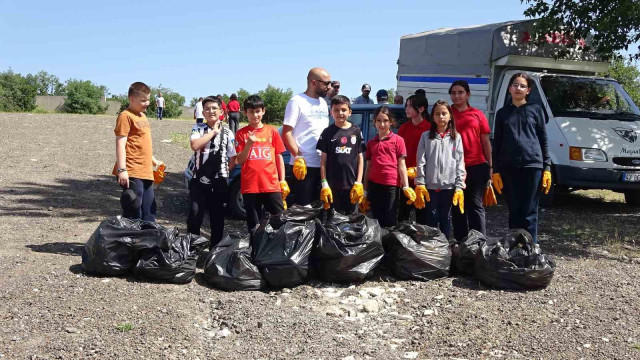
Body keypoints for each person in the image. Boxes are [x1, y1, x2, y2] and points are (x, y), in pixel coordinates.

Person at [492, 73, 551, 244]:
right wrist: (495, 169)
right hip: (508, 167)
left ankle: (530, 247)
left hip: (532, 166)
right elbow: (498, 142)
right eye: (515, 85)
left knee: (530, 210)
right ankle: (514, 246)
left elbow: (543, 139)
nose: (518, 88)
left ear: (528, 90)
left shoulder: (536, 110)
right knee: (514, 209)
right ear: (510, 89)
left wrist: (546, 167)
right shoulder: (502, 113)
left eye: (522, 86)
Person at [186, 96, 237, 249]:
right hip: (198, 179)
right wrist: (213, 132)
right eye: (207, 108)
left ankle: (214, 251)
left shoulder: (228, 133)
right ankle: (192, 249)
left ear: (221, 111)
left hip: (219, 180)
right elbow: (195, 145)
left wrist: (224, 173)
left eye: (214, 108)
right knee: (195, 214)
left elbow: (233, 159)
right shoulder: (197, 128)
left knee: (217, 218)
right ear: (203, 111)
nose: (210, 111)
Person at [449, 80, 494, 242]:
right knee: (457, 206)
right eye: (453, 93)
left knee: (475, 205)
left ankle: (479, 243)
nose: (456, 96)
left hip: (476, 165)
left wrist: (490, 166)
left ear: (468, 94)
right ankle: (461, 243)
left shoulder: (478, 114)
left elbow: (485, 142)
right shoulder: (446, 113)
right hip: (453, 167)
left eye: (460, 92)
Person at [236, 95, 289, 233]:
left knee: (280, 221)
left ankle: (277, 252)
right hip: (250, 187)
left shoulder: (272, 131)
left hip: (271, 185)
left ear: (263, 111)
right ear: (245, 113)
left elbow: (279, 157)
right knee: (254, 225)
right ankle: (256, 252)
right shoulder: (241, 134)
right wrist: (249, 144)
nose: (255, 115)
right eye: (251, 112)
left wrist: (282, 181)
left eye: (258, 111)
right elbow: (240, 160)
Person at [414, 100, 466, 239]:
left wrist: (459, 185)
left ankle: (445, 247)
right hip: (430, 186)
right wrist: (420, 182)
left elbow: (460, 162)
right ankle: (433, 248)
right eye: (437, 114)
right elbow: (421, 160)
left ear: (450, 116)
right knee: (431, 217)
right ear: (432, 117)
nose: (441, 117)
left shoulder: (456, 137)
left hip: (449, 187)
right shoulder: (426, 136)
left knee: (446, 218)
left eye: (444, 113)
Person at [113, 82, 163, 222]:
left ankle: (147, 241)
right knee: (133, 207)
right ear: (131, 99)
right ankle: (132, 241)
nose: (147, 103)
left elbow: (141, 142)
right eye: (143, 100)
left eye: (148, 100)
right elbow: (121, 143)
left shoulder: (143, 116)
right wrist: (122, 169)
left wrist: (153, 160)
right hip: (132, 169)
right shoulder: (125, 116)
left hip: (145, 170)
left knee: (149, 211)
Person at [282, 67, 331, 206]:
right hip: (304, 166)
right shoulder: (297, 101)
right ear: (313, 82)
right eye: (326, 83)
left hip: (322, 164)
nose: (329, 87)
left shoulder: (323, 103)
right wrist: (298, 156)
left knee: (321, 207)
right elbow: (286, 132)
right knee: (304, 208)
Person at [361, 106, 416, 227]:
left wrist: (406, 187)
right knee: (375, 219)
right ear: (374, 122)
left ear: (391, 122)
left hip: (391, 185)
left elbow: (402, 165)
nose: (382, 124)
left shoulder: (398, 140)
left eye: (385, 120)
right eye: (379, 120)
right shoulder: (371, 142)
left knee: (390, 219)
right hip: (374, 186)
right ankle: (379, 244)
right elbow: (368, 167)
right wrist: (364, 190)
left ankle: (389, 245)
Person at [317, 95, 366, 214]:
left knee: (351, 223)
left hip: (351, 187)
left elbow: (360, 159)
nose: (340, 113)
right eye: (336, 110)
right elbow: (323, 161)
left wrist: (359, 183)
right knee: (332, 223)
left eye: (344, 110)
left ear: (350, 112)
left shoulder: (356, 131)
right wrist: (324, 184)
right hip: (332, 187)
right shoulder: (327, 132)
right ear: (331, 112)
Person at [397, 94, 430, 224]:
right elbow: (398, 154)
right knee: (402, 216)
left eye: (410, 106)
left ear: (421, 109)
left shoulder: (429, 128)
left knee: (423, 217)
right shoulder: (404, 128)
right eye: (406, 105)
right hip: (405, 180)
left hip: (423, 180)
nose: (407, 108)